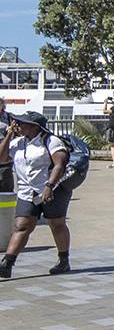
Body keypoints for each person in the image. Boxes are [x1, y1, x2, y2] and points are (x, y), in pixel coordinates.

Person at [1, 111, 72, 279]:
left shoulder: (51, 141)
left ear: (34, 126)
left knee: (56, 224)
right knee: (22, 226)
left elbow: (60, 164)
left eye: (21, 122)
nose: (17, 124)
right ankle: (7, 264)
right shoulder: (18, 142)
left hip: (53, 190)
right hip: (27, 192)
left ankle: (63, 261)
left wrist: (49, 185)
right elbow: (2, 158)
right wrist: (9, 134)